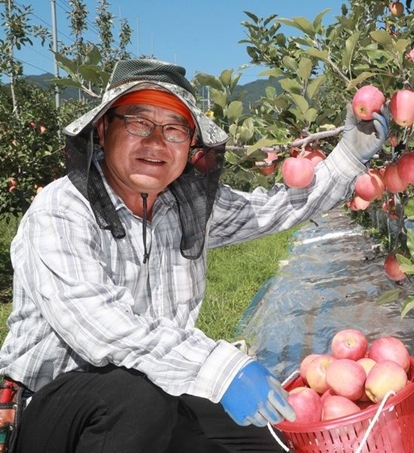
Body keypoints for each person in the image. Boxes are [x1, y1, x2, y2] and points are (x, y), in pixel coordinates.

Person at [0, 58, 389, 452]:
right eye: (138, 123)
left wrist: (349, 158)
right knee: (133, 400)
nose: (155, 143)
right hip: (53, 414)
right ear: (103, 129)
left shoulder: (185, 205)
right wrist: (221, 368)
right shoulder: (62, 209)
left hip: (153, 391)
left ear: (190, 144)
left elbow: (274, 209)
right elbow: (99, 324)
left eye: (174, 129)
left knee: (267, 436)